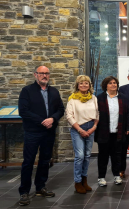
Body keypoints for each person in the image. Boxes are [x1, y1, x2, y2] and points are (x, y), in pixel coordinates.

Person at [18, 66, 65, 206]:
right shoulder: (27, 91)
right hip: (32, 132)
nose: (44, 75)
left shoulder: (54, 91)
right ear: (35, 75)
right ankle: (24, 192)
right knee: (28, 162)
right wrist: (42, 121)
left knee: (45, 160)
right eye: (41, 73)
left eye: (46, 73)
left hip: (49, 132)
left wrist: (53, 119)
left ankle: (40, 187)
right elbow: (23, 111)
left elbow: (60, 109)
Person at [95, 76, 129, 187]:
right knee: (103, 156)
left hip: (118, 132)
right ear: (106, 85)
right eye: (110, 83)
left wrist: (128, 128)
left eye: (115, 83)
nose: (113, 85)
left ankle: (117, 175)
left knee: (117, 156)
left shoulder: (123, 98)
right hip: (103, 132)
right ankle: (101, 177)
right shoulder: (99, 98)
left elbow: (127, 114)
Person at [66, 75, 99, 194]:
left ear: (89, 85)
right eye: (81, 83)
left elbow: (97, 114)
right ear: (77, 85)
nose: (84, 85)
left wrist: (94, 127)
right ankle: (78, 182)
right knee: (79, 155)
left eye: (86, 83)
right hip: (77, 129)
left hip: (91, 128)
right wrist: (80, 130)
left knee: (87, 155)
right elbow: (69, 116)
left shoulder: (93, 98)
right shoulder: (72, 99)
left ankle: (85, 180)